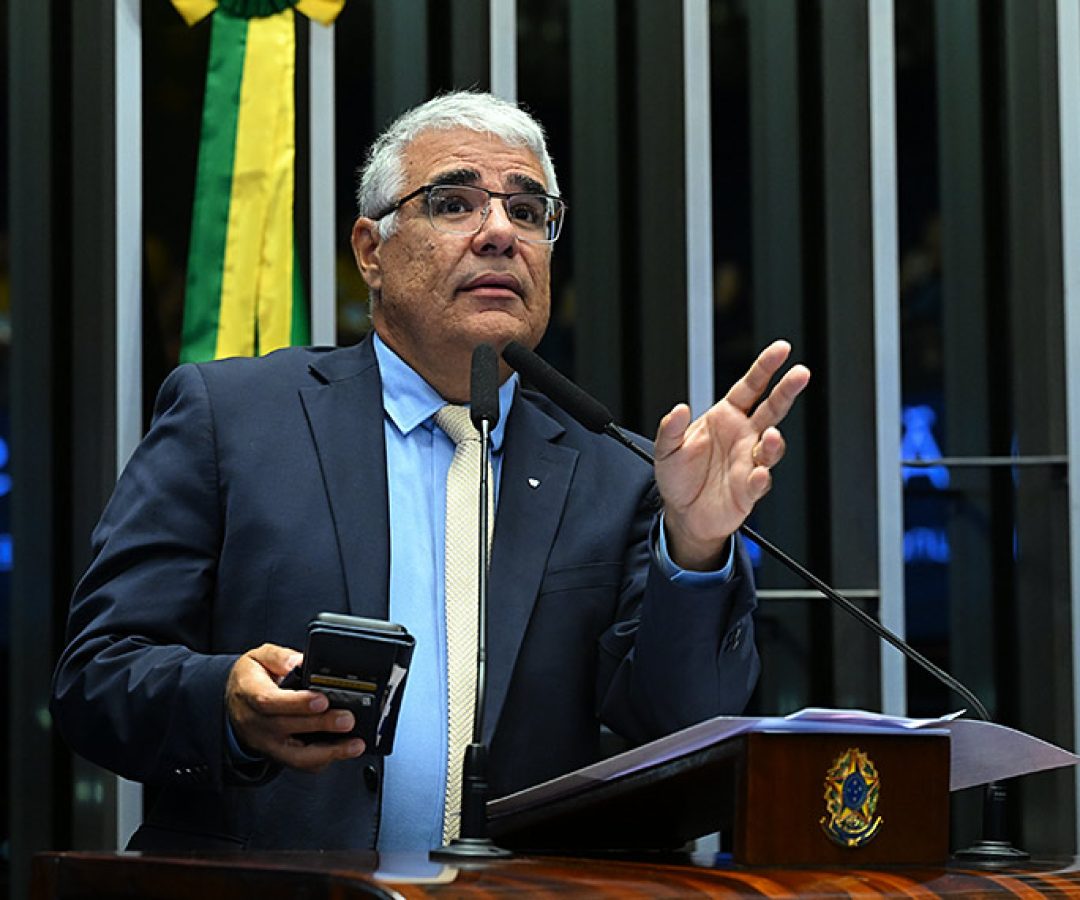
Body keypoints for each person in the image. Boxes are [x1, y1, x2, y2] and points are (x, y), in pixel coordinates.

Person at [51, 91, 810, 852]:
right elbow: (97, 675)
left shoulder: (618, 473)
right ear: (370, 251)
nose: (500, 235)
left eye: (528, 210)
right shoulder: (233, 419)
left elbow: (686, 733)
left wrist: (699, 548)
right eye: (454, 203)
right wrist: (226, 703)